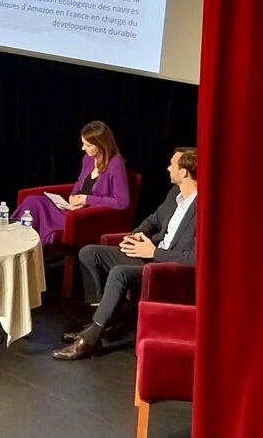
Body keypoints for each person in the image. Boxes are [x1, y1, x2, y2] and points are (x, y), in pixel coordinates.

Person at [53, 147, 198, 360]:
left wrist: (154, 251)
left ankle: (91, 339)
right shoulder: (175, 194)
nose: (167, 168)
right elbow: (153, 219)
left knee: (119, 273)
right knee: (89, 253)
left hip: (167, 268)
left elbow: (195, 259)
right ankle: (99, 322)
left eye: (172, 165)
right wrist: (138, 234)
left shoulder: (203, 209)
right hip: (148, 252)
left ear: (184, 172)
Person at [12, 121, 130, 245]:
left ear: (101, 145)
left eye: (88, 145)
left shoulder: (116, 164)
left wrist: (86, 200)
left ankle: (22, 244)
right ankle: (14, 235)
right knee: (33, 200)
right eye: (83, 144)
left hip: (88, 218)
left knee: (37, 207)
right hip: (73, 211)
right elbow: (79, 182)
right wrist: (72, 197)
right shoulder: (88, 158)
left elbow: (122, 202)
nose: (83, 148)